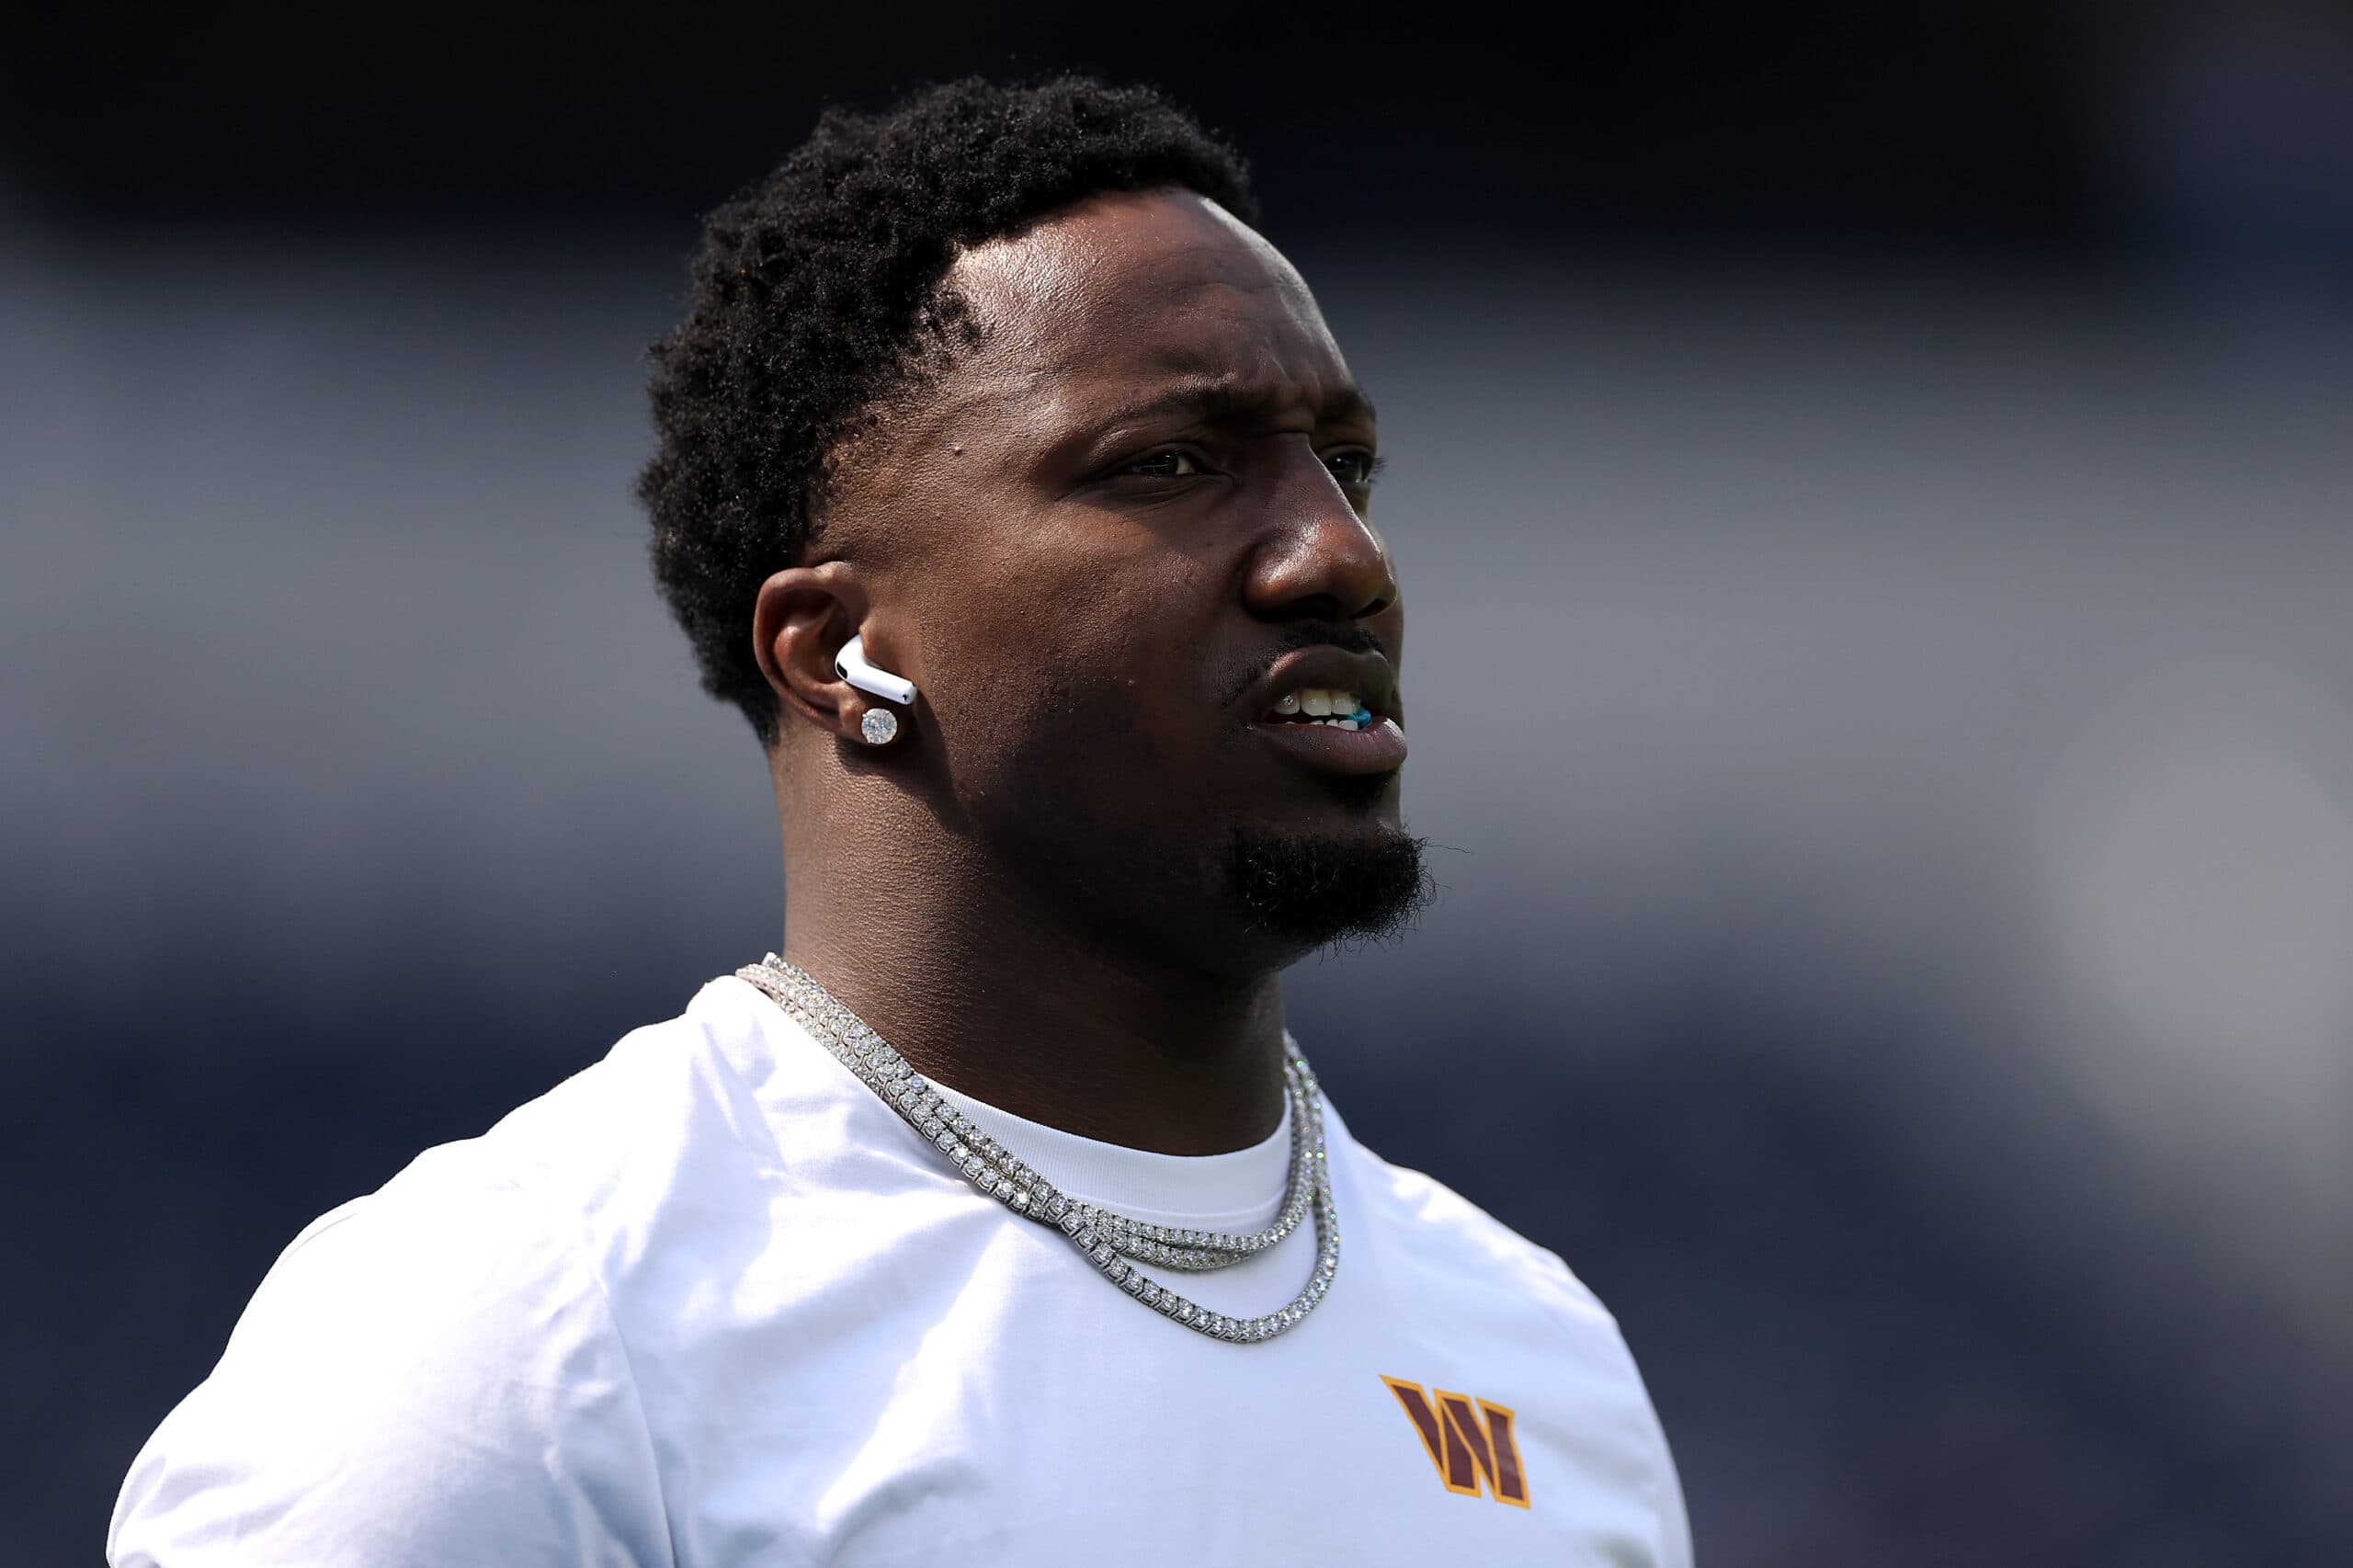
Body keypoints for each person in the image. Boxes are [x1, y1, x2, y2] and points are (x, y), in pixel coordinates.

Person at [108, 76, 1691, 1566]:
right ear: (841, 653)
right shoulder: (520, 1328)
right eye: (1172, 464)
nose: (1337, 555)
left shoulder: (1539, 1360)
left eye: (1345, 466)